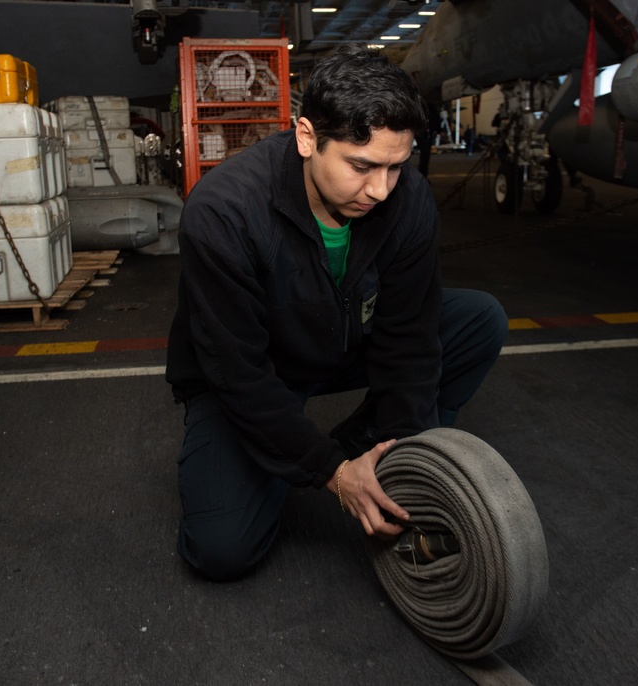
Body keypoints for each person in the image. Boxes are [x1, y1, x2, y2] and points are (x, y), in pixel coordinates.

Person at [165, 44, 507, 581]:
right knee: (222, 551)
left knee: (479, 319)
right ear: (307, 138)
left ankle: (365, 447)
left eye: (396, 166)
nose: (380, 189)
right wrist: (330, 472)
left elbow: (409, 340)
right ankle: (314, 459)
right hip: (253, 371)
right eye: (361, 166)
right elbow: (237, 373)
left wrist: (404, 464)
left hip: (341, 340)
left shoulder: (407, 198)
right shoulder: (223, 212)